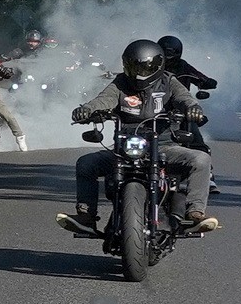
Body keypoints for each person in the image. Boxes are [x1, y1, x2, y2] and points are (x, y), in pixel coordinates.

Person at [57, 39, 219, 236]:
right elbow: (103, 99)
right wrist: (88, 109)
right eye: (134, 67)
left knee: (201, 159)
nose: (139, 73)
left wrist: (192, 108)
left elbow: (184, 98)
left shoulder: (169, 82)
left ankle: (195, 213)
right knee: (85, 163)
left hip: (164, 146)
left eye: (145, 68)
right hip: (123, 149)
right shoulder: (120, 83)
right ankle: (86, 215)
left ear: (158, 66)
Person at [158, 34, 221, 194]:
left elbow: (198, 76)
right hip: (153, 110)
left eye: (170, 53)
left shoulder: (183, 67)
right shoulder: (152, 64)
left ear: (177, 53)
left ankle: (208, 175)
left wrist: (206, 82)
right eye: (164, 52)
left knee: (196, 139)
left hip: (180, 113)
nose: (167, 57)